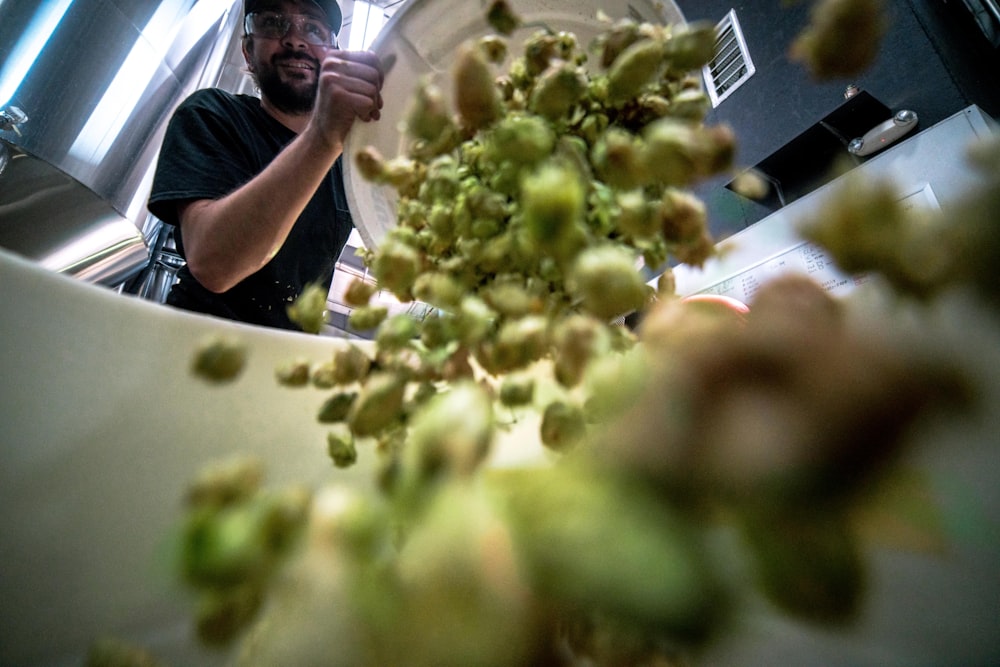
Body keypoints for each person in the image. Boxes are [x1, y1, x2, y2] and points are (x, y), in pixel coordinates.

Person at [148, 0, 385, 330]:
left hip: (286, 357)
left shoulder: (348, 162)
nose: (295, 40)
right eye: (273, 23)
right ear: (248, 50)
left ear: (332, 54)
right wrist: (323, 136)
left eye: (313, 28)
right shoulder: (212, 115)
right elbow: (213, 264)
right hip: (196, 343)